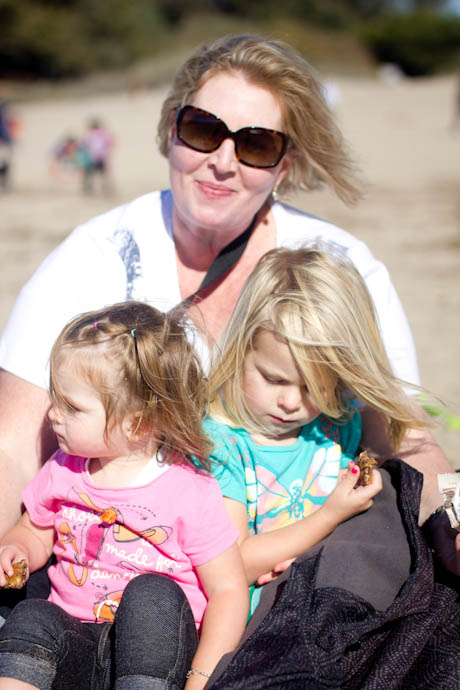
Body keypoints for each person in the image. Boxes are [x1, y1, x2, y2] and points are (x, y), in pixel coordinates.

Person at [0, 33, 456, 572]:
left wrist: (451, 523)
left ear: (284, 165)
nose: (223, 161)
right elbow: (13, 450)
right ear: (171, 130)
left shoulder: (340, 267)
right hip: (122, 570)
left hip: (296, 575)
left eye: (256, 144)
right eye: (203, 131)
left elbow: (405, 445)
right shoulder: (91, 260)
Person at [0, 302, 248, 689]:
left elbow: (229, 590)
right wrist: (16, 549)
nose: (53, 414)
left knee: (153, 597)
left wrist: (201, 678)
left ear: (138, 423)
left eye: (72, 407)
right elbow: (34, 529)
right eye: (56, 399)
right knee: (33, 615)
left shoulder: (187, 490)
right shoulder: (65, 467)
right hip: (77, 641)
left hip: (156, 659)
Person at [203, 246, 429, 615]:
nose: (292, 402)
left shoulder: (336, 425)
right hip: (250, 631)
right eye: (274, 378)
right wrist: (326, 520)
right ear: (241, 349)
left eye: (314, 387)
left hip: (322, 608)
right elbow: (235, 564)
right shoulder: (221, 444)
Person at [79, 117, 114, 195]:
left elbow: (84, 144)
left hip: (92, 158)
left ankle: (88, 190)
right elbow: (110, 143)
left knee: (89, 175)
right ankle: (106, 189)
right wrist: (106, 152)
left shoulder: (89, 135)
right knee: (103, 175)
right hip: (101, 157)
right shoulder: (103, 134)